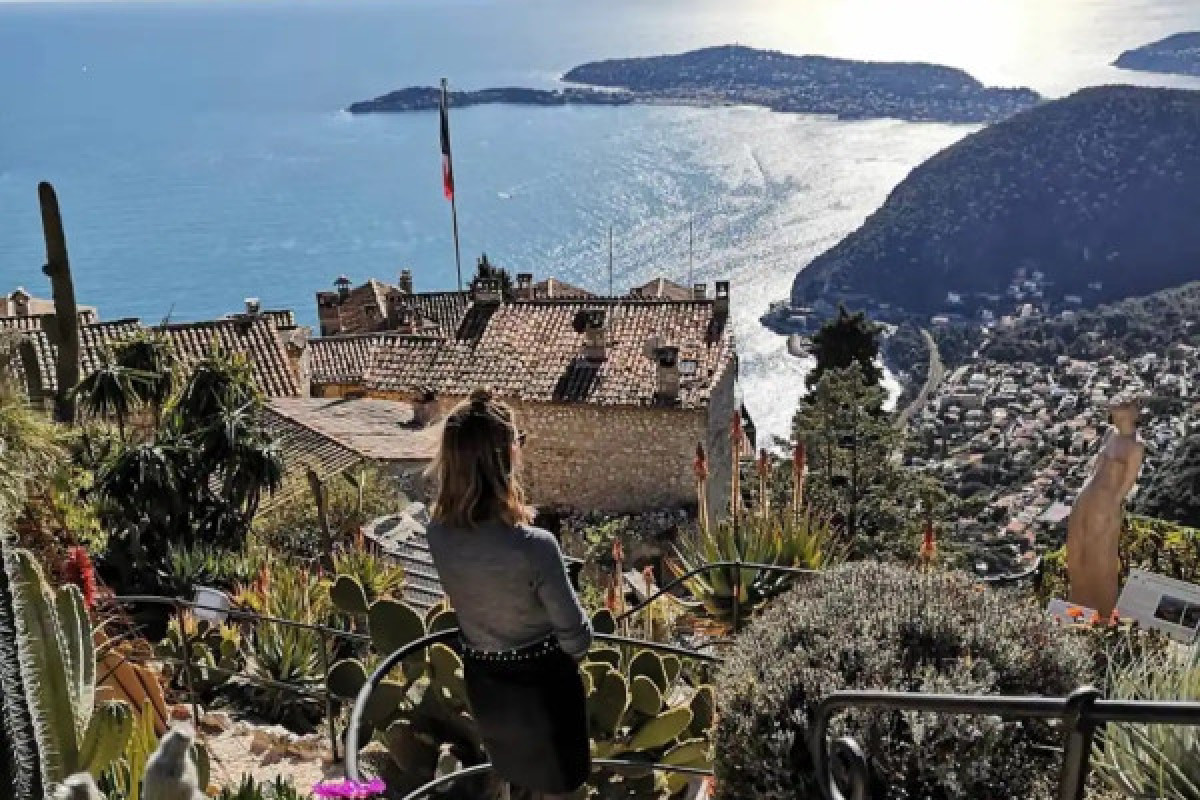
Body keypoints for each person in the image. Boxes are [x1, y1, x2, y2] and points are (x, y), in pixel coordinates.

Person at [426, 388, 593, 800]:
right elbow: (576, 637)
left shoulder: (438, 536)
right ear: (505, 457)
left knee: (515, 782)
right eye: (518, 442)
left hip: (488, 688)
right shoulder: (534, 545)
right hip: (545, 692)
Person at [1066, 395, 1145, 618]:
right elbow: (1095, 468)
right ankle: (1076, 604)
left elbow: (1127, 485)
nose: (1115, 409)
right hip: (1086, 497)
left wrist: (1111, 507)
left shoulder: (1136, 446)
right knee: (1076, 552)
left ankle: (1101, 613)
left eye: (1123, 406)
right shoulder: (1111, 434)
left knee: (1099, 558)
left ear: (1132, 413)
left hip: (1105, 504)